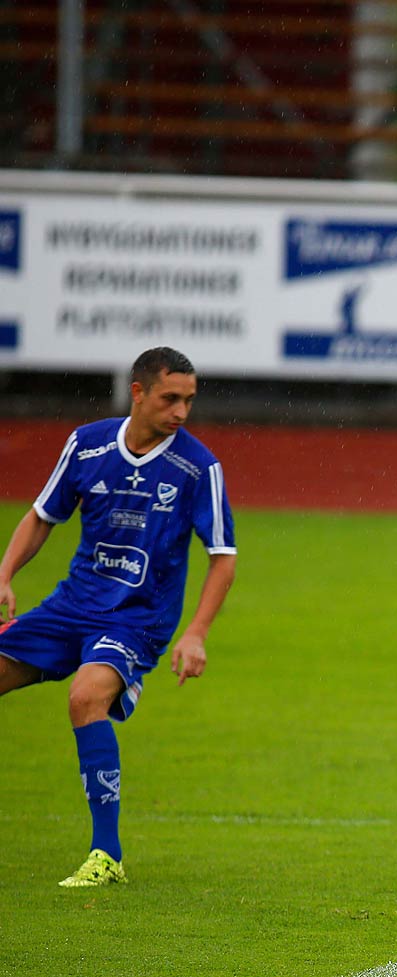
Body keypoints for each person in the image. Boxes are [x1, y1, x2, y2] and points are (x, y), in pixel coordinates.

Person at [0, 347, 238, 887]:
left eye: (189, 401)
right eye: (170, 398)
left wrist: (196, 632)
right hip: (70, 606)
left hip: (136, 619)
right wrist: (6, 573)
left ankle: (106, 855)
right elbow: (43, 517)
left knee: (86, 696)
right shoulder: (87, 445)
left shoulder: (199, 468)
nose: (181, 412)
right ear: (138, 392)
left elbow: (223, 557)